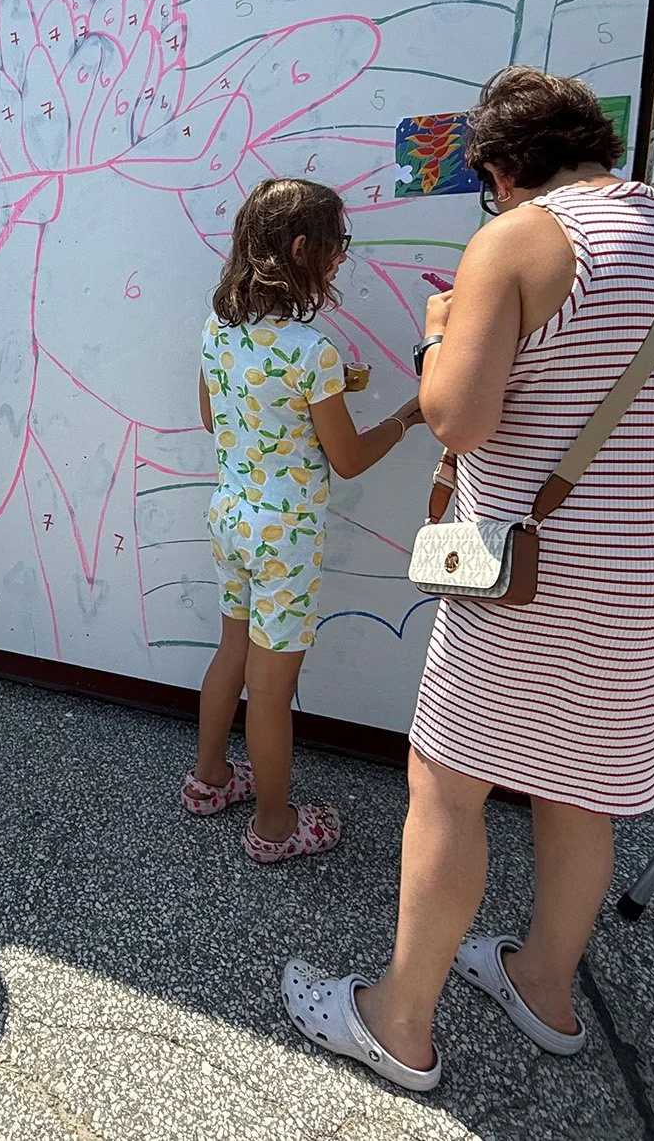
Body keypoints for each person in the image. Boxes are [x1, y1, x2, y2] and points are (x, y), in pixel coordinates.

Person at [283, 68, 654, 1091]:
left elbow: (457, 418)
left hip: (536, 573)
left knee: (447, 784)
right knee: (580, 792)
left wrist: (446, 331)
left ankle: (398, 1021)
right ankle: (544, 987)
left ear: (496, 168)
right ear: (595, 146)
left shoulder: (514, 240)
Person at [185, 178, 427, 863]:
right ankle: (274, 827)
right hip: (285, 539)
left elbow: (213, 416)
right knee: (272, 687)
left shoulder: (218, 327)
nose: (340, 259)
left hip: (230, 516)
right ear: (300, 249)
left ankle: (208, 781)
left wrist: (308, 398)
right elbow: (347, 459)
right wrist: (405, 417)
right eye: (335, 246)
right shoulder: (309, 350)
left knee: (231, 652)